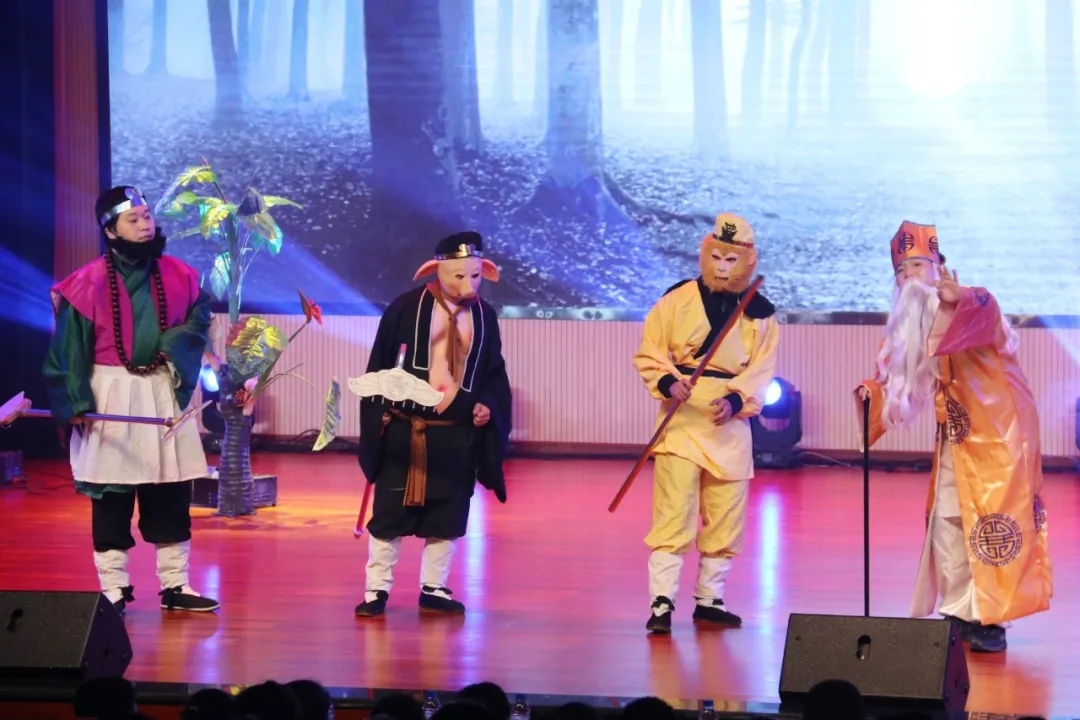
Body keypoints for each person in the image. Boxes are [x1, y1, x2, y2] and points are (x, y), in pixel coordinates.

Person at [855, 219, 1052, 653]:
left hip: (999, 431)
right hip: (955, 436)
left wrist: (959, 297)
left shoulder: (970, 302)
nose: (910, 277)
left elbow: (988, 313)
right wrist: (872, 393)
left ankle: (989, 617)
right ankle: (958, 611)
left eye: (918, 265)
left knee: (992, 518)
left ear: (937, 266)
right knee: (947, 519)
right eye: (901, 270)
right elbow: (897, 379)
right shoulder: (909, 325)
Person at [43, 185, 219, 614]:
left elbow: (199, 318)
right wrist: (75, 401)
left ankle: (175, 585)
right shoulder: (86, 283)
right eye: (133, 220)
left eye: (147, 216)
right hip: (109, 393)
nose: (145, 225)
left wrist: (173, 345)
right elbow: (68, 349)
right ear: (110, 231)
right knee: (111, 495)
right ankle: (114, 589)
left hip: (160, 390)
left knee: (170, 491)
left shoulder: (180, 275)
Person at [632, 213, 779, 634]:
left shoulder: (761, 314)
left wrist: (735, 401)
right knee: (673, 511)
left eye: (731, 260)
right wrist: (667, 382)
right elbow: (650, 351)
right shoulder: (676, 300)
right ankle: (661, 602)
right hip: (683, 418)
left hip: (728, 424)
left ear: (748, 262)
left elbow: (762, 370)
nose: (722, 268)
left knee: (725, 514)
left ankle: (710, 599)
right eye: (716, 257)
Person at [355, 231, 512, 617]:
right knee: (390, 512)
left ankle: (434, 587)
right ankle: (376, 589)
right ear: (436, 270)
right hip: (406, 429)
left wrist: (487, 405)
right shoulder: (406, 308)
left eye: (475, 276)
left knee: (449, 512)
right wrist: (379, 413)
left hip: (456, 434)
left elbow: (493, 372)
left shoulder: (484, 316)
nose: (468, 285)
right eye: (459, 276)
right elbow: (379, 364)